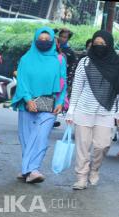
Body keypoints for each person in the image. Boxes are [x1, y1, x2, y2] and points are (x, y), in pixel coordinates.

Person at [11, 27, 66, 184]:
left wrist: (61, 101)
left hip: (49, 103)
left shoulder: (59, 59)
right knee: (26, 138)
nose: (43, 42)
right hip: (27, 103)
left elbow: (63, 82)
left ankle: (33, 169)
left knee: (41, 136)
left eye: (47, 40)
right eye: (40, 39)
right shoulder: (26, 59)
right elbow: (21, 81)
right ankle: (27, 169)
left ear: (52, 41)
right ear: (35, 40)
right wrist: (28, 100)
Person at [66, 31, 119, 190]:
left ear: (109, 45)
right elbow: (77, 87)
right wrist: (71, 110)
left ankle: (94, 169)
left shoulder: (117, 64)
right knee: (82, 146)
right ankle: (81, 177)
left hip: (107, 110)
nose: (99, 47)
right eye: (96, 44)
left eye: (103, 44)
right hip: (83, 109)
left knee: (102, 145)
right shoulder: (85, 62)